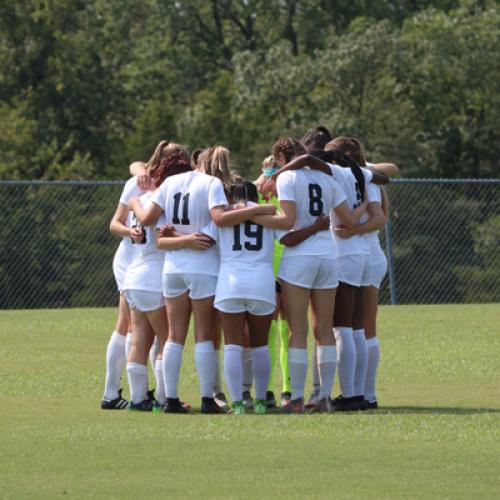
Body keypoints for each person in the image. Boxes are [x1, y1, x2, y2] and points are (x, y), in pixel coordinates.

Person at [129, 148, 276, 413]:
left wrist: (138, 205)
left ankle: (170, 399)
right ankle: (208, 399)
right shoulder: (212, 184)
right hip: (203, 267)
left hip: (172, 267)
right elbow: (216, 226)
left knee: (174, 337)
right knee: (204, 335)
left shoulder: (170, 183)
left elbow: (152, 224)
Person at [254, 137, 368, 413]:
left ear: (281, 157)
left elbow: (287, 221)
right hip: (328, 256)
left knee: (297, 330)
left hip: (299, 259)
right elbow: (350, 221)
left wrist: (253, 216)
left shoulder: (286, 178)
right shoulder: (327, 179)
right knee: (324, 330)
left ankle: (295, 399)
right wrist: (365, 203)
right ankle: (325, 397)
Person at [329, 137, 397, 409]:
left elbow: (379, 217)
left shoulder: (348, 175)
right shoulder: (365, 175)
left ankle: (357, 393)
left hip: (357, 254)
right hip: (370, 256)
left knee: (352, 327)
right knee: (366, 329)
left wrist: (352, 230)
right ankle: (367, 394)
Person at [202, 181, 281, 414]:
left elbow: (204, 239)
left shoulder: (225, 216)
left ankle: (236, 402)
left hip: (230, 282)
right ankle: (259, 401)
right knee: (261, 346)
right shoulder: (267, 213)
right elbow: (287, 233)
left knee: (232, 346)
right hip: (262, 282)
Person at [123, 150, 191, 411]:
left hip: (134, 276)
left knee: (140, 341)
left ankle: (138, 398)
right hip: (153, 278)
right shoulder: (162, 200)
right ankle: (164, 397)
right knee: (167, 339)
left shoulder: (141, 197)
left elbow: (138, 232)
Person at [101, 154, 154, 410]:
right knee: (128, 326)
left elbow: (136, 164)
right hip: (130, 261)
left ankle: (142, 392)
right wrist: (129, 232)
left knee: (145, 329)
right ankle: (113, 394)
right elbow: (114, 224)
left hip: (147, 262)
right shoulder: (137, 182)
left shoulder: (167, 182)